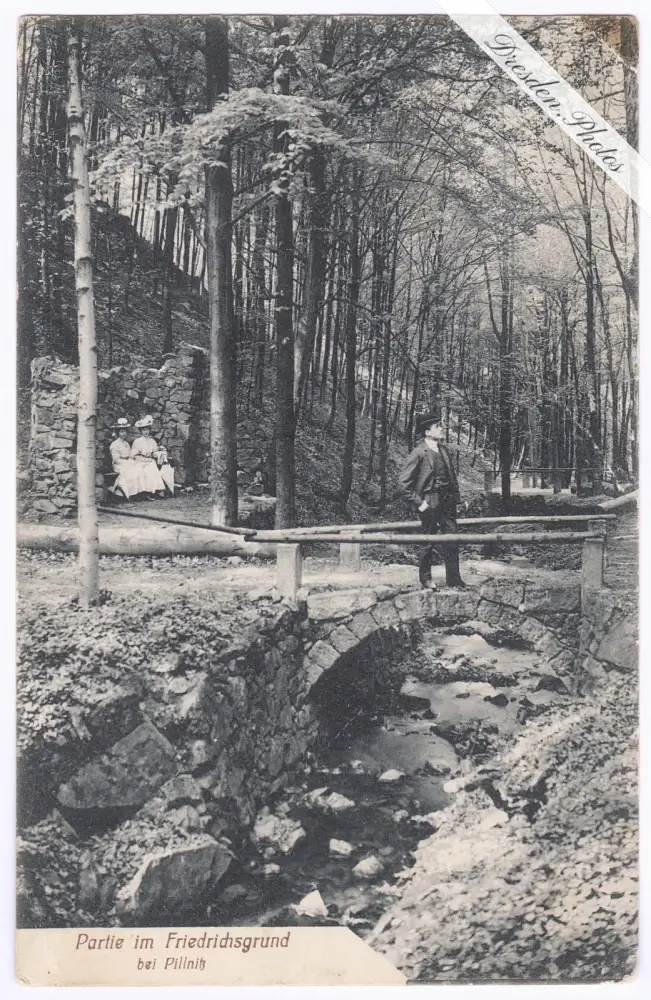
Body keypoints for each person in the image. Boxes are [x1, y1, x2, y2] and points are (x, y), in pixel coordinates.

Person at [397, 412, 466, 590]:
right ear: (427, 432)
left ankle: (454, 579)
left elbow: (451, 477)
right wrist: (419, 503)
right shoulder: (419, 453)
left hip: (448, 502)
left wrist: (458, 499)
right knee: (428, 541)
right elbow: (403, 484)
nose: (442, 428)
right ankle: (426, 579)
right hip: (429, 501)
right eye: (437, 426)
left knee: (452, 538)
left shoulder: (444, 450)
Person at [131, 415, 175, 498]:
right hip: (140, 461)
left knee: (153, 467)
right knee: (146, 469)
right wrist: (143, 459)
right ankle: (146, 492)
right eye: (144, 430)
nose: (146, 432)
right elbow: (134, 455)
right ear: (141, 431)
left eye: (147, 430)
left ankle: (155, 490)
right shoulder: (137, 441)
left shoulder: (152, 441)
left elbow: (155, 452)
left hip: (150, 461)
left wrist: (158, 453)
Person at [108, 418, 141, 500]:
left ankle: (134, 493)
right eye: (121, 432)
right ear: (118, 432)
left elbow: (129, 455)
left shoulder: (126, 443)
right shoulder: (114, 444)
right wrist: (127, 463)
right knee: (127, 470)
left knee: (137, 468)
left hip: (128, 462)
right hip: (118, 464)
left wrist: (132, 459)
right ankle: (123, 493)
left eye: (125, 431)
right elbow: (116, 459)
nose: (124, 434)